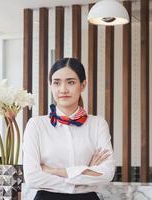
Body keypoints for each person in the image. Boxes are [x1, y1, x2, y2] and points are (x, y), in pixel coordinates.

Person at [23, 57, 115, 200]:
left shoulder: (97, 124)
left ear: (82, 85)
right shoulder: (36, 125)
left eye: (71, 82)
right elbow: (32, 177)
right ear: (51, 86)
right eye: (57, 83)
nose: (63, 89)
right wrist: (84, 173)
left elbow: (107, 174)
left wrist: (56, 171)